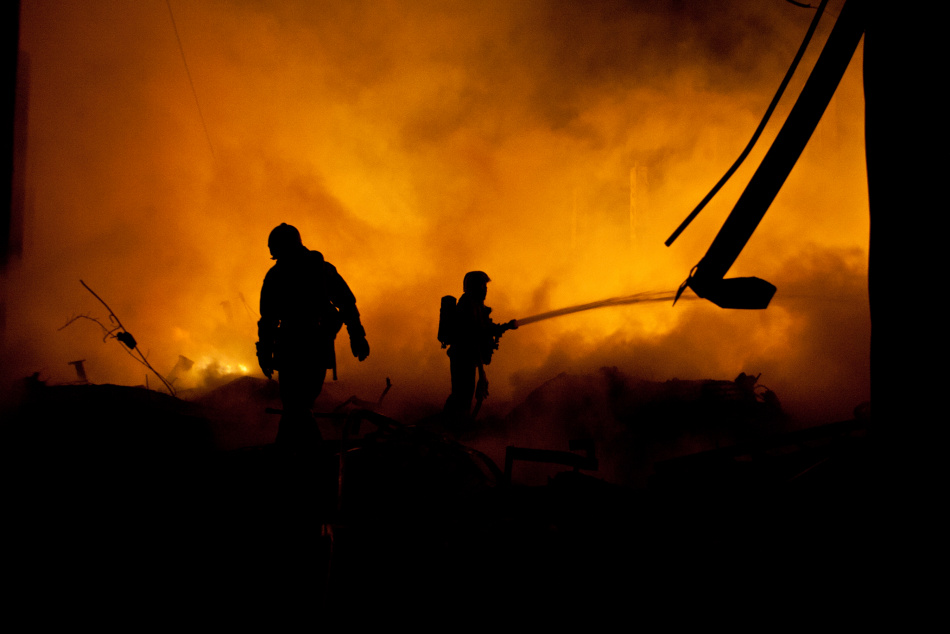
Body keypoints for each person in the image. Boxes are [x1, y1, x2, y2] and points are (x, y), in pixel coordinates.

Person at [256, 223, 369, 448]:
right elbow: (347, 304)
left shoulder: (276, 275)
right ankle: (299, 454)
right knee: (298, 406)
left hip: (292, 348)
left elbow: (268, 319)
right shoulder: (321, 269)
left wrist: (265, 353)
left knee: (296, 406)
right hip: (317, 347)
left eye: (275, 251)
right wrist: (356, 334)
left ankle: (302, 455)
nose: (274, 256)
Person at [443, 271, 516, 422]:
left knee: (464, 394)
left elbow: (484, 329)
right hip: (463, 357)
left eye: (485, 285)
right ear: (473, 287)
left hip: (467, 357)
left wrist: (507, 326)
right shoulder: (468, 306)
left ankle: (455, 425)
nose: (485, 289)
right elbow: (474, 337)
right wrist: (482, 375)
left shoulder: (476, 305)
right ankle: (451, 427)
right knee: (462, 395)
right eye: (482, 285)